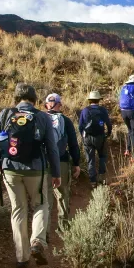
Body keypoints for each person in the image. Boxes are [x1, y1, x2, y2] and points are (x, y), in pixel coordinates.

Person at [0, 83, 61, 268]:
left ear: (16, 98)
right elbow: (52, 148)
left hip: (10, 169)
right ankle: (37, 241)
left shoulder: (5, 114)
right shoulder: (42, 117)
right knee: (41, 204)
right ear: (34, 99)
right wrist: (57, 173)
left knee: (18, 209)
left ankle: (22, 257)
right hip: (36, 169)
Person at [44, 93, 81, 240]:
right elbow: (73, 144)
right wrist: (76, 163)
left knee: (45, 198)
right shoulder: (66, 121)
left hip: (44, 163)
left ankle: (44, 233)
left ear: (47, 105)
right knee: (62, 194)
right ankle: (63, 229)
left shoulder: (40, 119)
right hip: (62, 162)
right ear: (60, 105)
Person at [79, 91, 112, 188]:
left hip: (88, 138)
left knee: (90, 159)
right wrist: (108, 133)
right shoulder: (103, 110)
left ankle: (93, 181)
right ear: (99, 100)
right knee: (102, 156)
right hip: (100, 137)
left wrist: (83, 135)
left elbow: (80, 126)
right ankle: (101, 177)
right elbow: (109, 124)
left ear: (89, 100)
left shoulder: (85, 110)